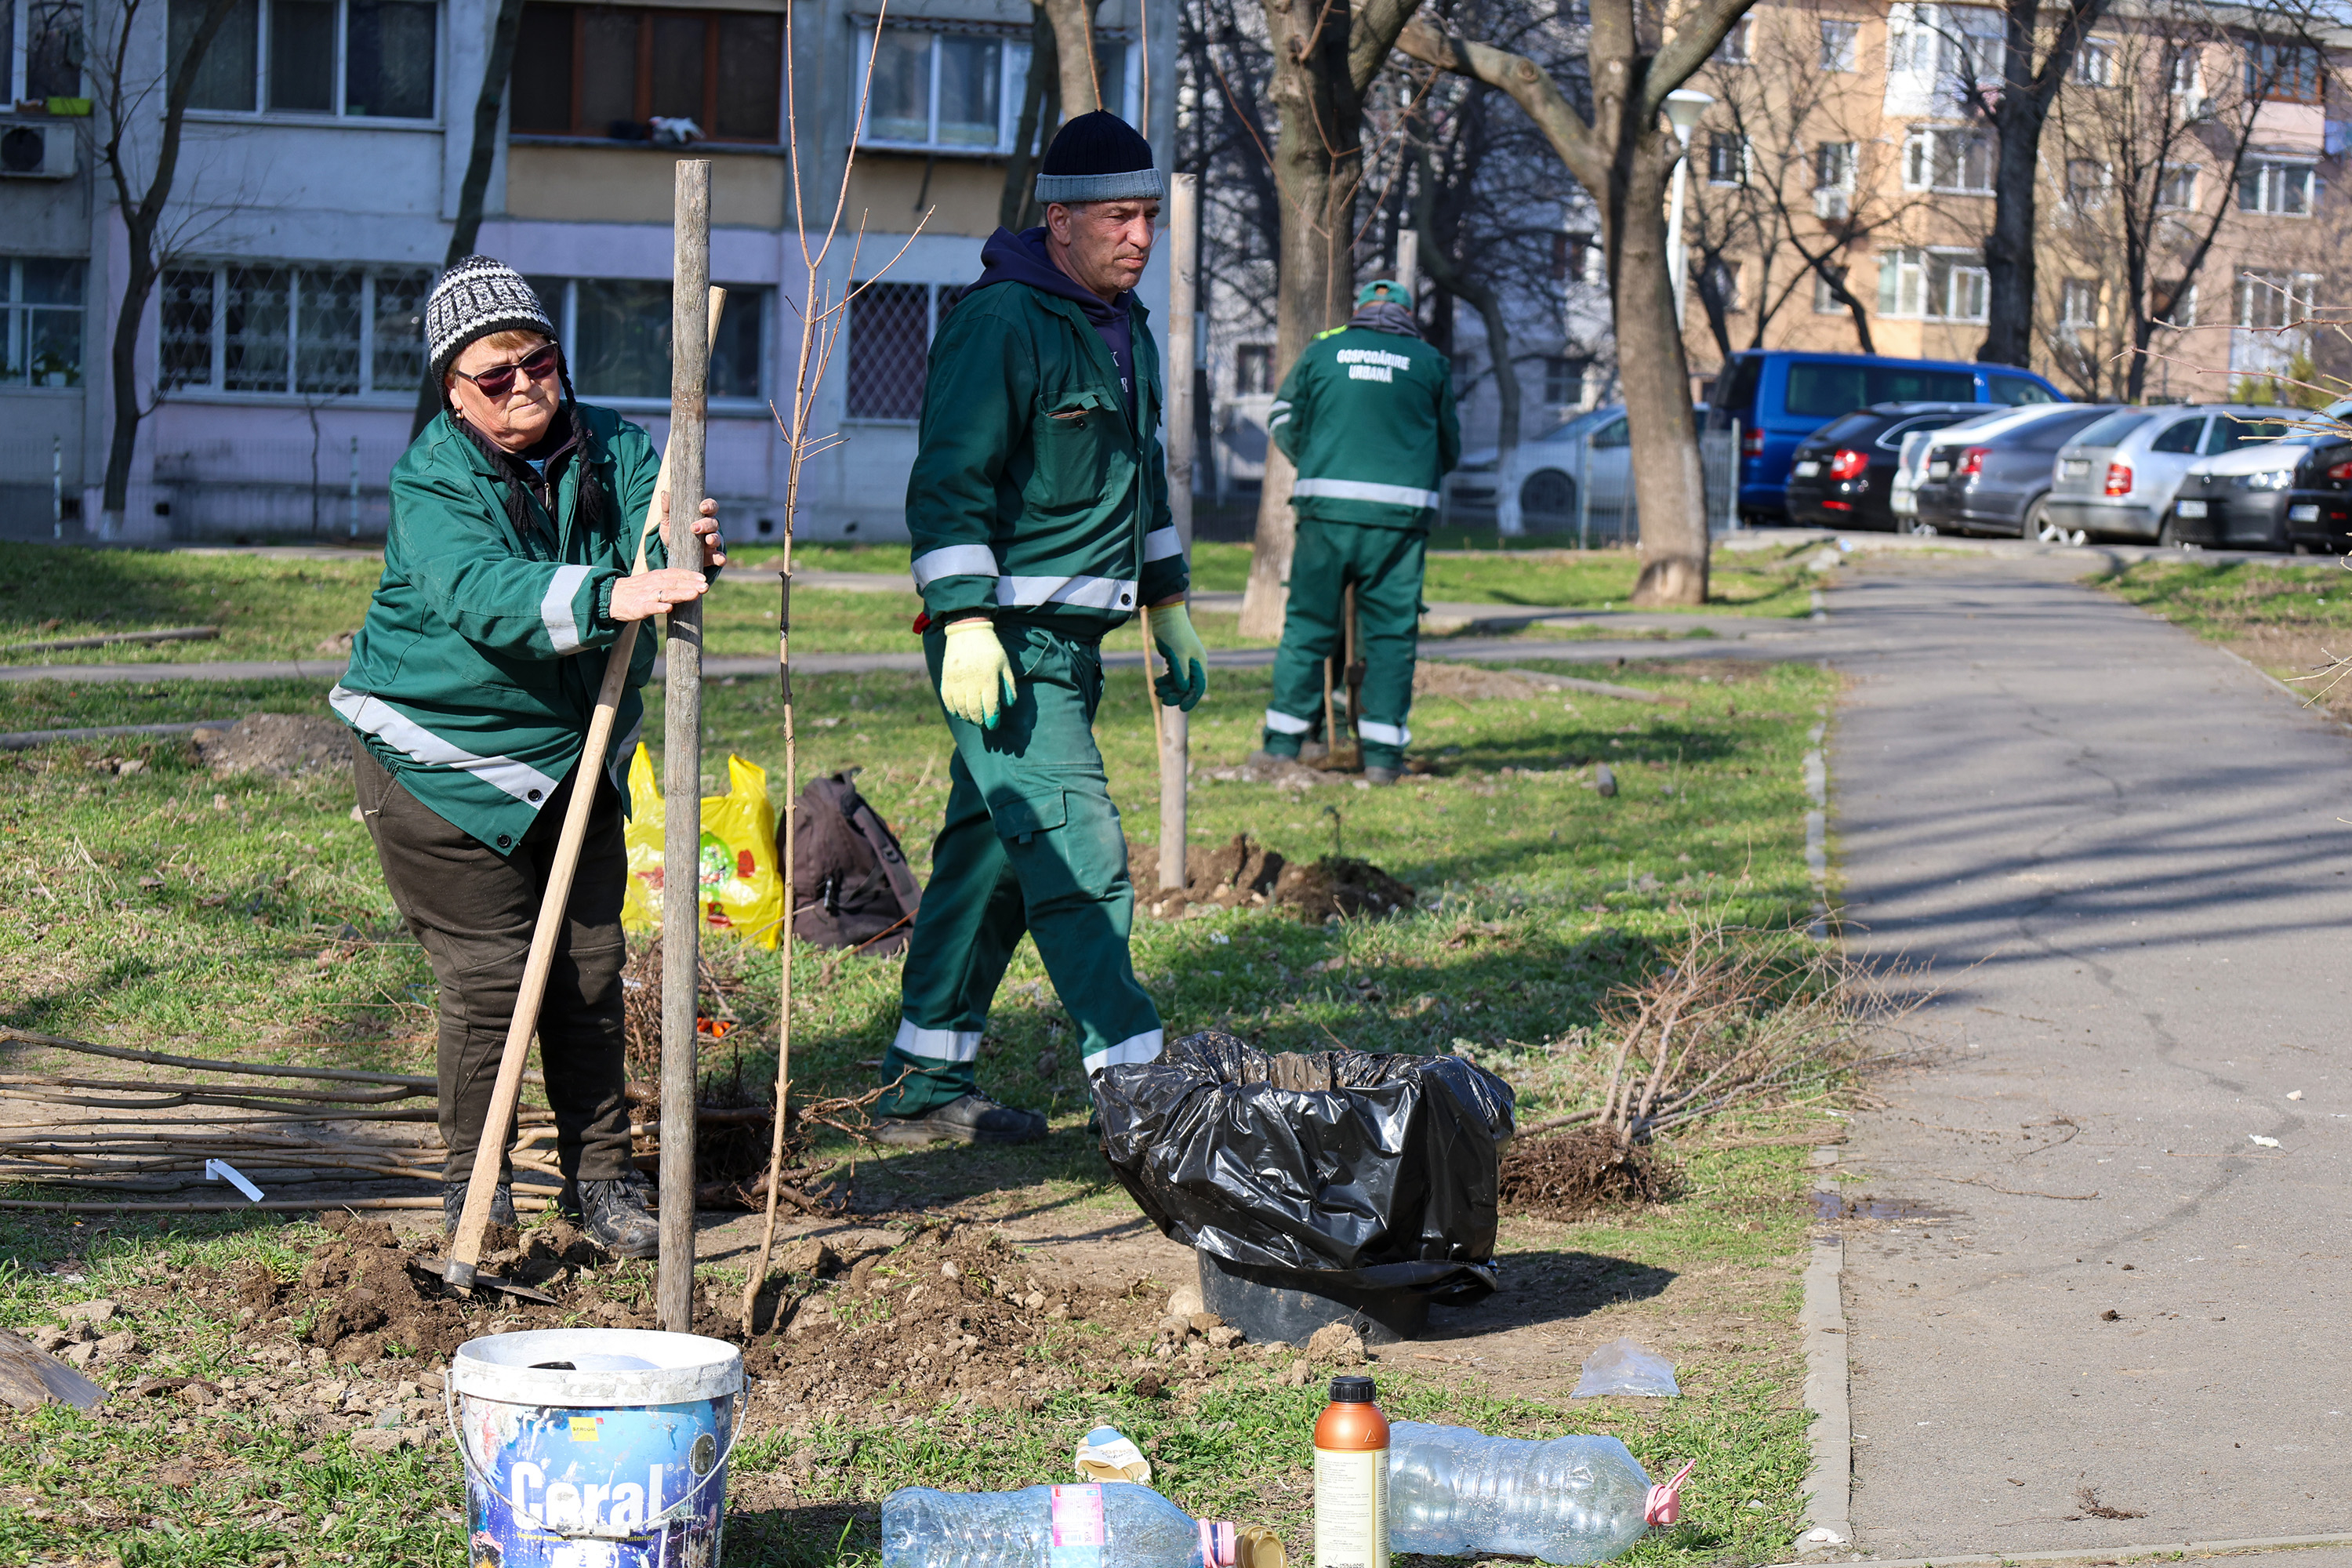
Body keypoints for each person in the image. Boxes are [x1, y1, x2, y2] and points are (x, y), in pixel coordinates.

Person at [332, 256, 726, 1254]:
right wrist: (609, 595)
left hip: (571, 761)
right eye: (493, 375)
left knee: (592, 973)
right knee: (492, 980)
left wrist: (687, 546)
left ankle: (601, 1180)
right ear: (453, 391)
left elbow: (661, 526)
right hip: (441, 770)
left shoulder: (619, 446)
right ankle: (480, 1189)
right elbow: (481, 591)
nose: (523, 387)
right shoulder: (433, 479)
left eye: (535, 360)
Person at [872, 111, 1207, 1145]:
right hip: (1005, 649)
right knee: (1078, 850)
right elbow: (949, 483)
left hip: (1078, 645)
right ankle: (1143, 1093)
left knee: (994, 864)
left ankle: (923, 1088)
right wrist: (965, 620)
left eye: (1149, 216)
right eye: (1119, 217)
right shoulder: (1003, 320)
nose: (1140, 236)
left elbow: (1139, 480)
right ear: (1059, 219)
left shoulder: (1123, 326)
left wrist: (1170, 605)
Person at [1254, 278, 1461, 785]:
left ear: (1360, 312)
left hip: (1326, 513)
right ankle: (1384, 759)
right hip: (1400, 521)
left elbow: (1281, 416)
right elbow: (1449, 444)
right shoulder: (1429, 362)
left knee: (1308, 626)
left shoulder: (1325, 352)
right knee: (1391, 634)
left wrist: (1317, 461)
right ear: (1408, 317)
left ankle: (1283, 746)